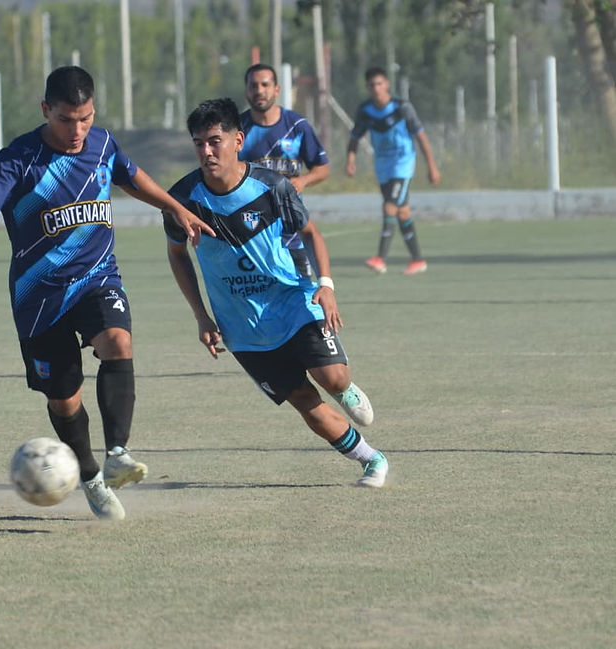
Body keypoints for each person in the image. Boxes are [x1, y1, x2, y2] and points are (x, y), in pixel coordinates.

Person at [0, 66, 214, 520]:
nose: (77, 130)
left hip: (98, 277)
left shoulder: (102, 144)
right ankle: (92, 477)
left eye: (85, 118)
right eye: (66, 120)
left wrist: (176, 208)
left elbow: (132, 178)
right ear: (46, 110)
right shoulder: (20, 158)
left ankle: (117, 453)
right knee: (64, 398)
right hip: (40, 296)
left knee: (118, 340)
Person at [162, 98, 387, 488]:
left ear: (238, 140)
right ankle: (372, 460)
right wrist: (201, 315)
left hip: (293, 302)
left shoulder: (272, 186)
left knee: (333, 379)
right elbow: (177, 254)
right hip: (242, 327)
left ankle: (345, 389)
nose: (207, 151)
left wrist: (326, 285)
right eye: (199, 143)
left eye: (214, 141)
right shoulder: (181, 200)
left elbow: (311, 234)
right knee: (303, 400)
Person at [345, 66, 440, 276]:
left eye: (380, 84)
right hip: (383, 166)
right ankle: (417, 260)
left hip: (402, 163)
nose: (376, 88)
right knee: (402, 211)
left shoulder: (401, 107)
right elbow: (355, 137)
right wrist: (350, 161)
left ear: (387, 84)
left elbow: (421, 136)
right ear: (368, 87)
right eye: (372, 85)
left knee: (389, 206)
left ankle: (381, 258)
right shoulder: (365, 111)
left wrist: (432, 166)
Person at [239, 63, 329, 278]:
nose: (259, 90)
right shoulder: (237, 130)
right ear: (246, 91)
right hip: (253, 237)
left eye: (265, 85)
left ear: (277, 89)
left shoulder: (296, 126)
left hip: (292, 236)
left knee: (306, 295)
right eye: (253, 86)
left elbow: (322, 168)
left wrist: (303, 181)